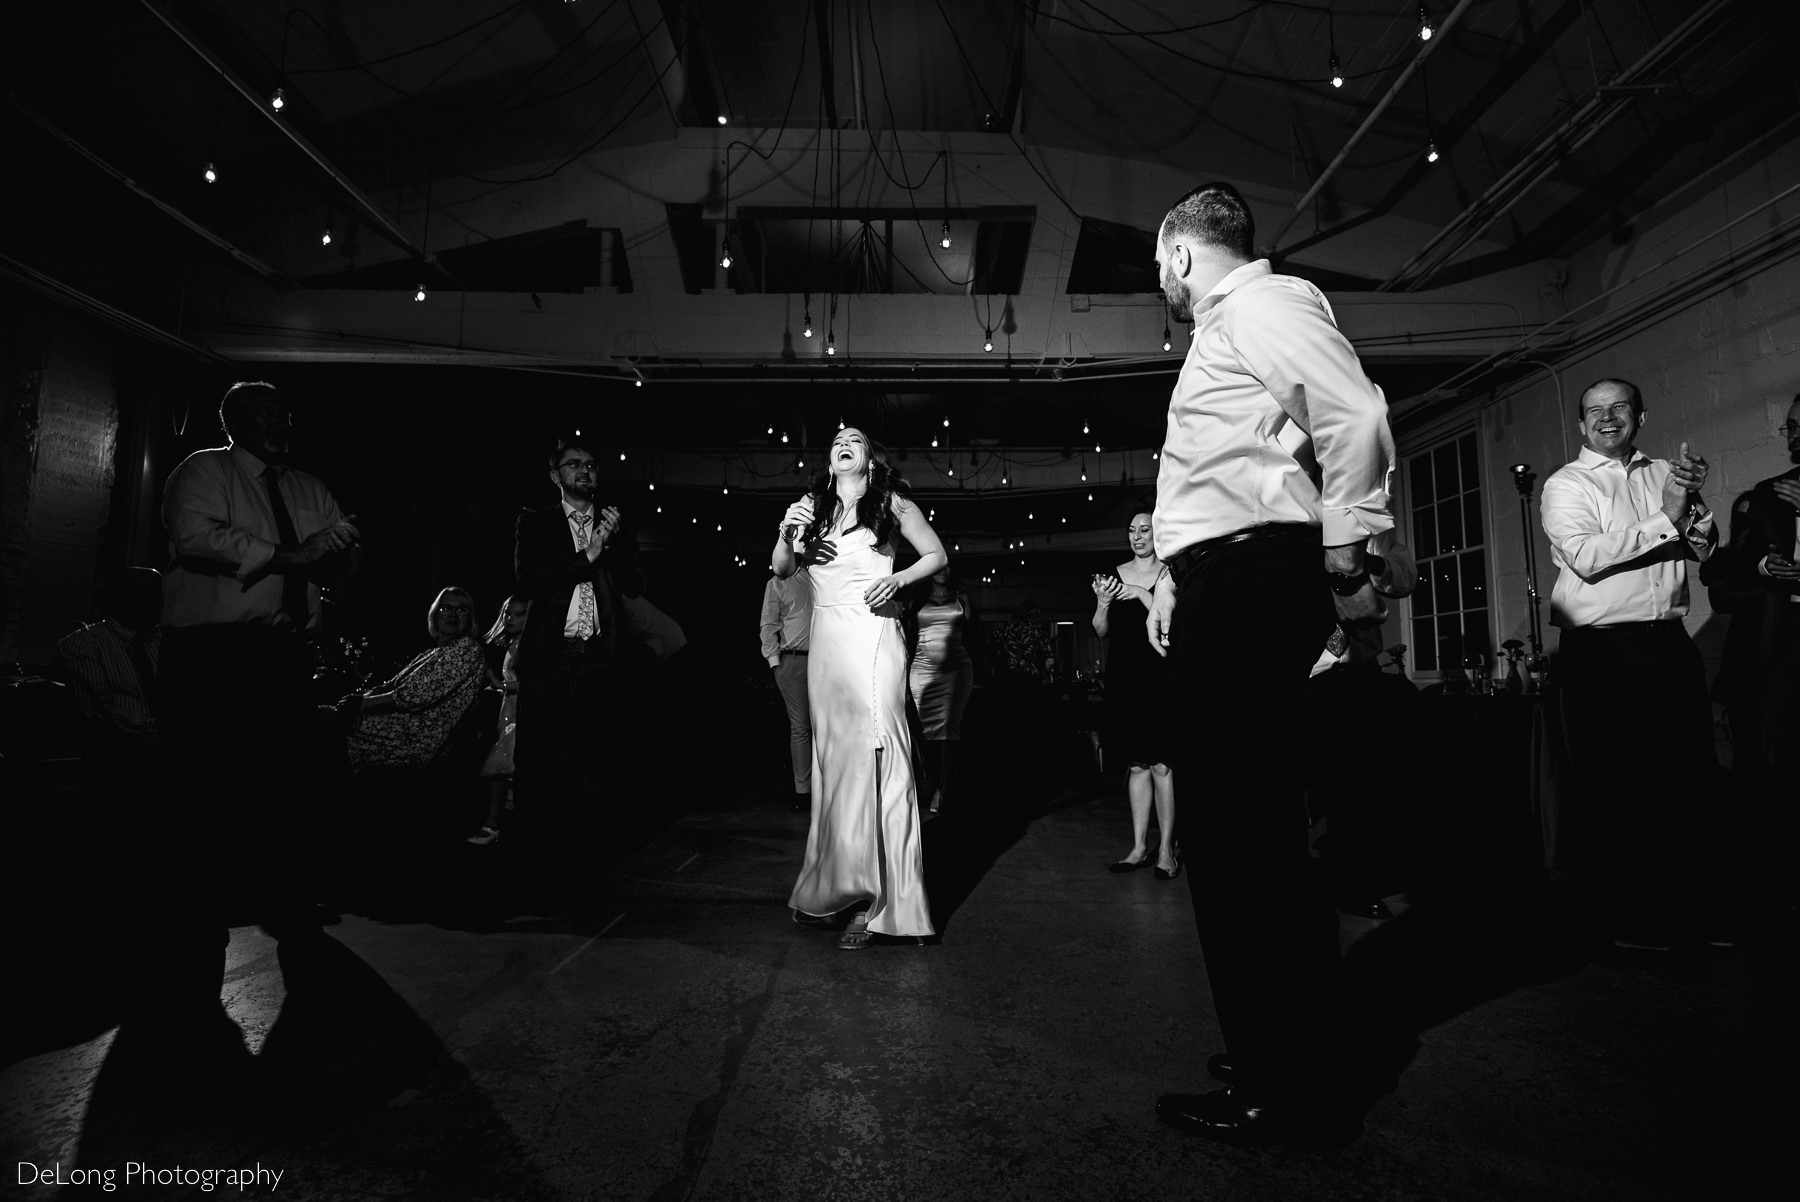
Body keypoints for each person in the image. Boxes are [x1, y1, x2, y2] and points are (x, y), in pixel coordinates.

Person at [1143, 182, 1396, 1146]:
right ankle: (1282, 1049)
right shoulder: (1240, 322)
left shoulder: (1263, 303)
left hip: (1253, 582)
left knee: (1240, 839)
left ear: (1177, 255)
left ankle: (1277, 1085)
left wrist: (1344, 541)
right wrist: (1175, 573)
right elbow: (1252, 462)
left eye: (1155, 269)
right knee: (1251, 831)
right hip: (1231, 578)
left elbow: (1355, 416)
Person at [155, 380, 360, 1026]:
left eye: (284, 414)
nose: (280, 424)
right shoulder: (205, 472)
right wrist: (289, 555)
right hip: (212, 658)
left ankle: (300, 939)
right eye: (266, 414)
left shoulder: (307, 486)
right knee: (206, 803)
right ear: (235, 419)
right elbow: (196, 538)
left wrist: (337, 556)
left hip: (281, 658)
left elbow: (341, 548)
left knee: (287, 800)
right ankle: (194, 958)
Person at [1540, 378, 1716, 950]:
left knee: (1686, 781)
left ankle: (1689, 912)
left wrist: (1692, 507)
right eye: (1595, 411)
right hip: (1603, 653)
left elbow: (1703, 547)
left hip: (1668, 641)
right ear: (1581, 424)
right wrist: (1667, 515)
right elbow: (1587, 557)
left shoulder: (1665, 470)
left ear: (1640, 414)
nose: (1607, 418)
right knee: (1618, 787)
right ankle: (1628, 921)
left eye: (1619, 407)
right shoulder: (1566, 484)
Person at [774, 426, 948, 949]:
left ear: (869, 459)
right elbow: (782, 568)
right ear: (831, 462)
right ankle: (839, 887)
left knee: (878, 755)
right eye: (836, 441)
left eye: (855, 439)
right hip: (827, 641)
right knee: (837, 763)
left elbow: (936, 555)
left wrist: (898, 580)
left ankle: (885, 902)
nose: (843, 443)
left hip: (874, 634)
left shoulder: (891, 503)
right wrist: (787, 534)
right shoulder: (811, 507)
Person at [511, 436, 646, 905]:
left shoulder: (613, 525)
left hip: (599, 657)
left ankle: (595, 865)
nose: (585, 471)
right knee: (540, 765)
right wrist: (587, 554)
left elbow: (633, 585)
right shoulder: (536, 522)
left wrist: (615, 543)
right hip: (550, 657)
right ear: (556, 476)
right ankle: (536, 866)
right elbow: (529, 581)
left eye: (590, 465)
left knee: (599, 761)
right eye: (574, 465)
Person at [1090, 512, 1177, 878]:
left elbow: (1175, 627)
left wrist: (1142, 593)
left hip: (1160, 677)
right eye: (1131, 530)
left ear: (1157, 533)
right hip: (1125, 677)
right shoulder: (1113, 574)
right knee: (1137, 765)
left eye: (1145, 530)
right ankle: (1140, 847)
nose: (1137, 536)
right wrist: (1104, 603)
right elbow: (1099, 631)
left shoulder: (1170, 575)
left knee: (1162, 764)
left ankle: (1167, 851)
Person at [1719, 395, 1800, 774]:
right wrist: (1768, 566)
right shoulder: (1771, 491)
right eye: (1791, 426)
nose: (1793, 435)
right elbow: (1742, 563)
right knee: (1778, 746)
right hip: (1786, 630)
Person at [336, 586, 486, 769]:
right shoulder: (431, 653)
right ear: (434, 615)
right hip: (392, 730)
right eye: (445, 608)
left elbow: (415, 694)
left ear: (470, 619)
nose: (453, 614)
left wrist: (361, 704)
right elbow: (390, 686)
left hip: (411, 740)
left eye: (461, 609)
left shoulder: (467, 648)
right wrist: (356, 703)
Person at [53, 566, 164, 754]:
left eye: (157, 596)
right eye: (144, 595)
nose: (156, 604)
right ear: (119, 598)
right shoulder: (84, 644)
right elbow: (101, 710)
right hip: (117, 748)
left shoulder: (161, 640)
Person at [906, 565, 976, 816]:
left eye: (948, 567)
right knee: (927, 732)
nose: (944, 571)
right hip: (923, 669)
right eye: (940, 566)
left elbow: (972, 635)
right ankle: (934, 781)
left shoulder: (962, 599)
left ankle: (943, 788)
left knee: (947, 727)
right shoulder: (917, 599)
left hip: (956, 668)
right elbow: (909, 635)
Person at [469, 595, 528, 845]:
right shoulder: (514, 643)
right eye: (507, 613)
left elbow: (528, 684)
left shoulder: (525, 645)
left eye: (518, 614)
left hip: (519, 716)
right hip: (510, 714)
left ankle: (493, 826)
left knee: (500, 770)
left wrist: (500, 684)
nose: (510, 619)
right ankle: (499, 826)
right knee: (505, 772)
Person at [760, 568, 814, 813]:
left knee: (828, 726)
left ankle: (829, 788)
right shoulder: (778, 582)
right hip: (793, 661)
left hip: (829, 659)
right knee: (801, 727)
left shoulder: (825, 574)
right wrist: (775, 665)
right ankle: (804, 792)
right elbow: (768, 623)